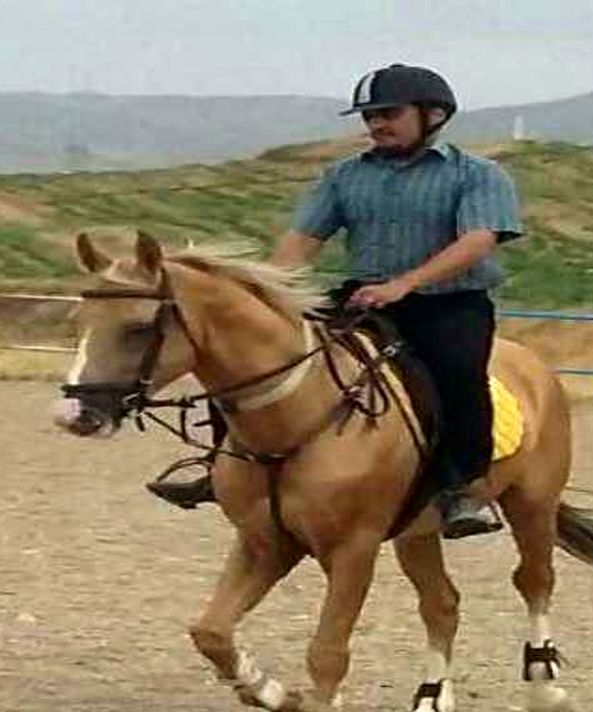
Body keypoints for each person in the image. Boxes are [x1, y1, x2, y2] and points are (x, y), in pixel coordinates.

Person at [148, 63, 524, 539]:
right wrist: (268, 295)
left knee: (457, 373)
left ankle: (462, 489)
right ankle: (221, 466)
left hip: (447, 303)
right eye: (369, 116)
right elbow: (303, 238)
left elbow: (477, 241)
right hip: (364, 297)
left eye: (389, 113)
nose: (376, 124)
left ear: (432, 114)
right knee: (257, 360)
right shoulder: (343, 176)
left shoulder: (477, 174)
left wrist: (405, 284)